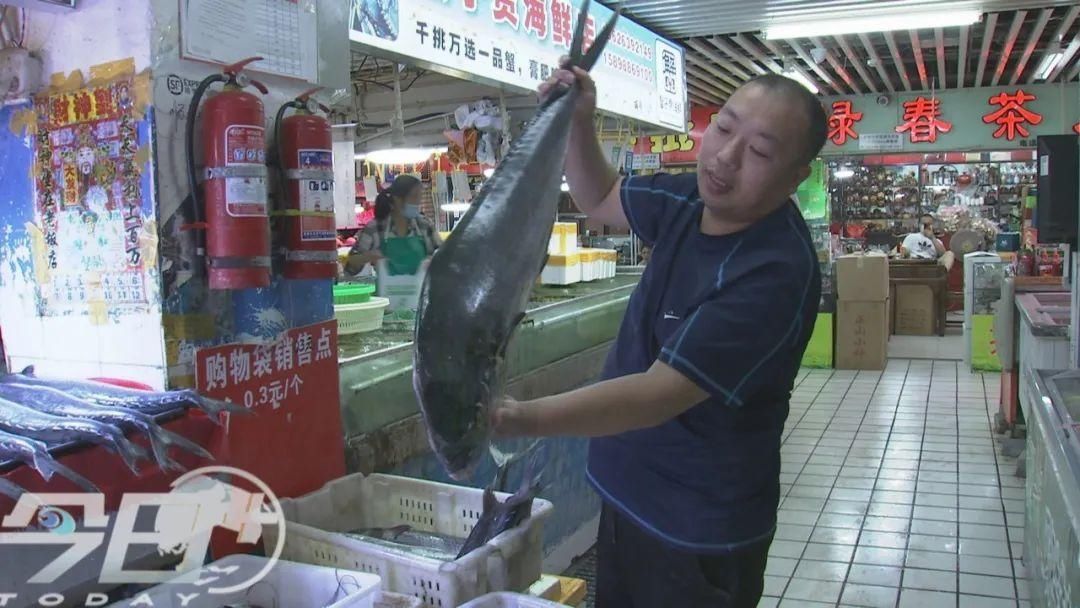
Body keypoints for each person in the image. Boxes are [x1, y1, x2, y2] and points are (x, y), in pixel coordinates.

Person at [492, 66, 826, 607]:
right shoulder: (689, 201)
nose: (725, 157)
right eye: (723, 128)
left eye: (760, 152)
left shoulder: (774, 271)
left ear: (796, 177)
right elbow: (599, 198)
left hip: (697, 534)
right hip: (628, 499)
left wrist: (516, 416)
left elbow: (656, 396)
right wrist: (580, 123)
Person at [345, 174, 441, 276]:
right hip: (387, 290)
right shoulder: (375, 228)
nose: (418, 203)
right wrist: (367, 256)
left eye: (419, 198)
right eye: (413, 197)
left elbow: (444, 257)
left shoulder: (424, 226)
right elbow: (349, 268)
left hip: (421, 291)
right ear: (397, 199)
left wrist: (434, 261)